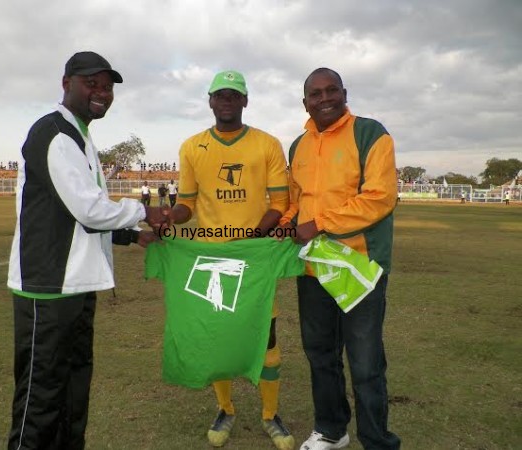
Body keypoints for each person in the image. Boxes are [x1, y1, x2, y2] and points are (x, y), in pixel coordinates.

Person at [6, 51, 165, 450]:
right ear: (66, 84)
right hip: (48, 289)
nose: (102, 93)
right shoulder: (55, 133)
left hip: (75, 287)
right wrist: (146, 212)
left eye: (107, 87)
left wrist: (132, 236)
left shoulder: (79, 135)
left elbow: (80, 216)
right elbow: (89, 210)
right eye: (91, 83)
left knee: (73, 395)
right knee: (40, 401)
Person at [169, 70, 294, 449]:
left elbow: (280, 204)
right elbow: (186, 205)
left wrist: (250, 241)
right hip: (211, 260)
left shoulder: (267, 144)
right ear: (210, 100)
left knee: (266, 339)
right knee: (218, 338)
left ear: (245, 101)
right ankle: (226, 408)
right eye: (220, 95)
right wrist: (168, 219)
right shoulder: (192, 147)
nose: (226, 100)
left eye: (234, 95)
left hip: (255, 261)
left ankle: (271, 415)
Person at [278, 68, 401, 450]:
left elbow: (379, 197)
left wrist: (319, 224)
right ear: (305, 102)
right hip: (313, 267)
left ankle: (377, 442)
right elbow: (297, 202)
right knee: (320, 354)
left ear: (344, 93)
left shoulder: (370, 133)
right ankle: (332, 430)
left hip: (359, 267)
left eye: (332, 90)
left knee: (365, 364)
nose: (325, 98)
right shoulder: (298, 145)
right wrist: (285, 224)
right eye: (316, 93)